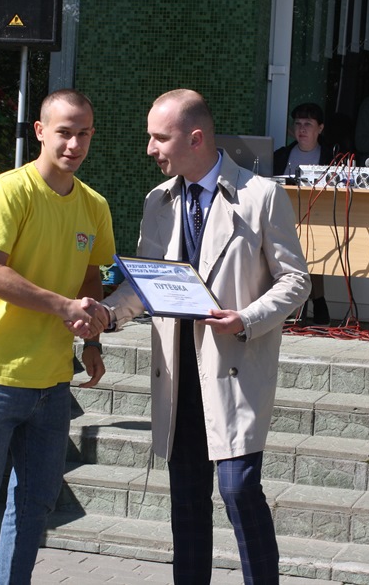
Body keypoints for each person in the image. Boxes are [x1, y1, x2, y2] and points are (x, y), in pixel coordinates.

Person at [99, 89, 310, 584]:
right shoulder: (158, 201)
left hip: (234, 370)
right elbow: (146, 284)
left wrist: (247, 318)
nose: (150, 148)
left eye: (159, 137)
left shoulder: (261, 196)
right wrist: (107, 315)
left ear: (195, 138)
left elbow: (296, 281)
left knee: (238, 491)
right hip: (177, 374)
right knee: (188, 499)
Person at [0, 89, 115, 585]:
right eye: (64, 132)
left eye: (84, 134)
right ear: (40, 131)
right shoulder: (9, 191)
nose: (74, 144)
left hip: (53, 382)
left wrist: (92, 341)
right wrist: (63, 307)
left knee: (34, 506)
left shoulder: (94, 205)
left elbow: (91, 276)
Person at [272, 102, 333, 325]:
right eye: (298, 124)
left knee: (311, 247)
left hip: (317, 216)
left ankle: (316, 301)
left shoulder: (330, 155)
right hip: (283, 215)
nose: (302, 129)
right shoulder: (281, 155)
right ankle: (307, 303)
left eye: (308, 124)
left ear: (320, 128)